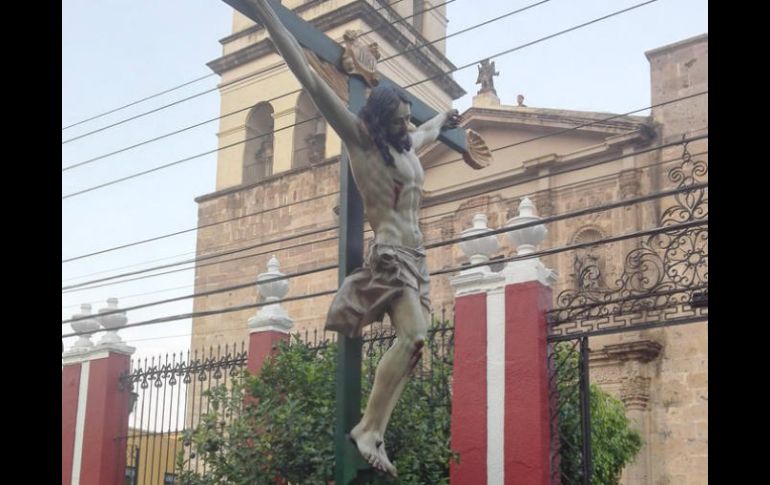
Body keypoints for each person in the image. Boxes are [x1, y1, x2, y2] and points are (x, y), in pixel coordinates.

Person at [250, 0, 460, 477]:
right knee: (414, 334)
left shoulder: (407, 148)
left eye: (408, 118)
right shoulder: (362, 141)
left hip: (418, 256)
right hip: (390, 254)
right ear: (381, 115)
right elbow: (307, 76)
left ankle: (375, 431)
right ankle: (366, 429)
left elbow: (425, 133)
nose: (406, 124)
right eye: (399, 118)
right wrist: (270, 18)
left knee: (417, 347)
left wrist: (441, 122)